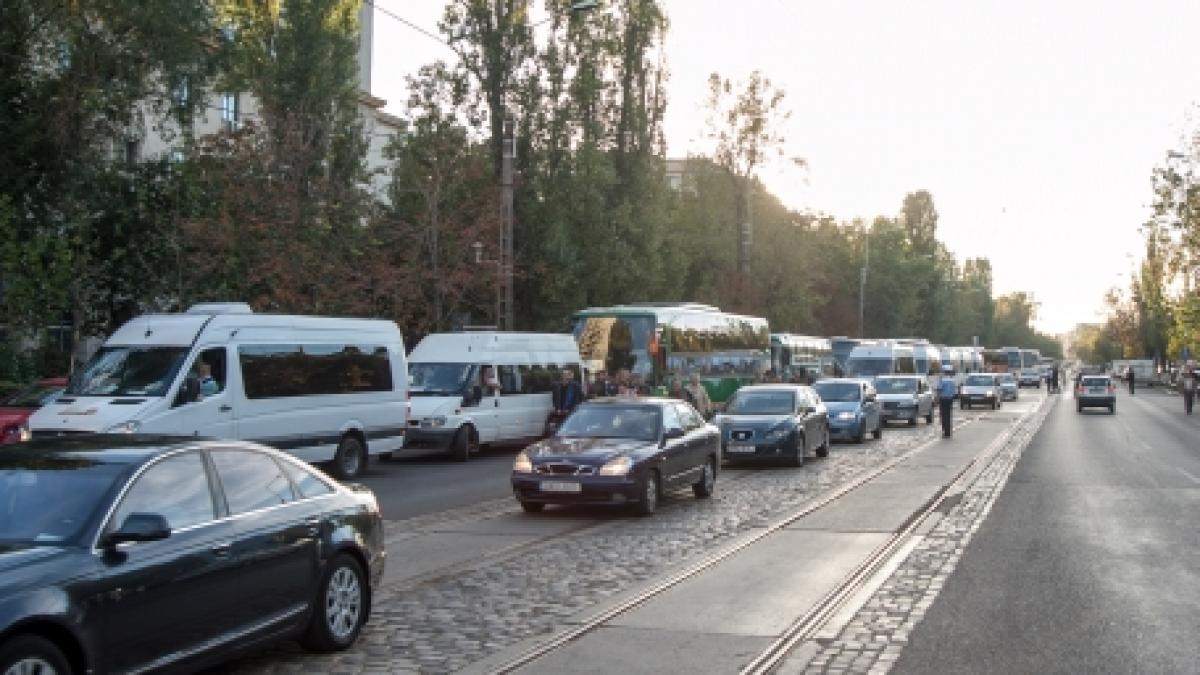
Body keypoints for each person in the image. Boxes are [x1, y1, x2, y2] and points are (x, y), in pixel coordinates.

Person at [937, 365, 957, 438]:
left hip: (943, 399)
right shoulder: (952, 380)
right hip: (950, 399)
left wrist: (937, 398)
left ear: (944, 372)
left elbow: (939, 389)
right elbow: (954, 391)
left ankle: (945, 431)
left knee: (943, 415)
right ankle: (948, 431)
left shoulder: (942, 379)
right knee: (949, 415)